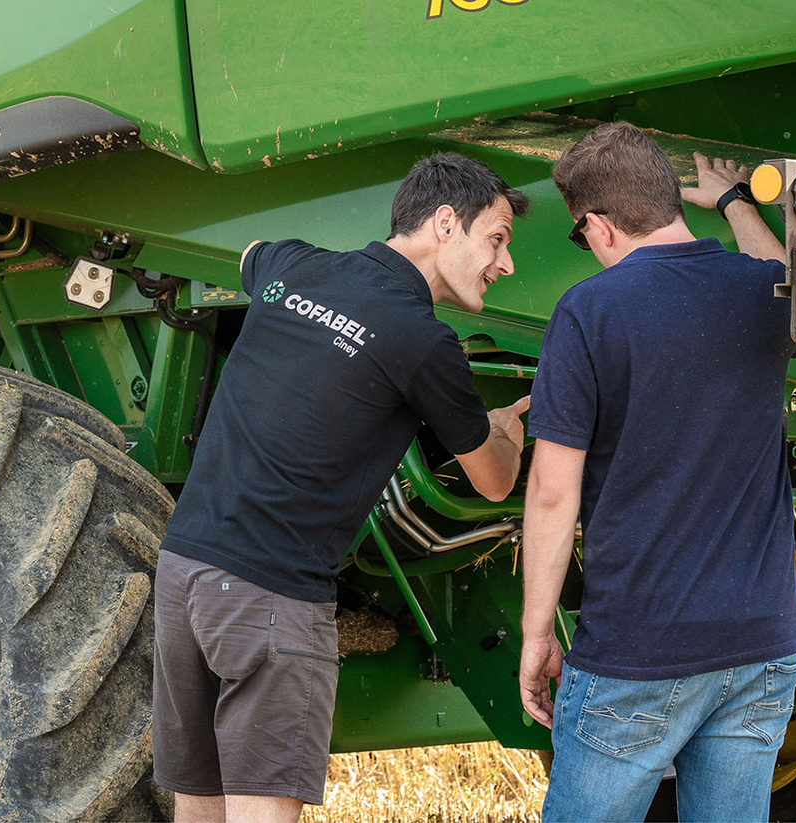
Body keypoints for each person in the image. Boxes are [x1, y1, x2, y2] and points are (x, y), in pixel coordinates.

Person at [153, 152, 533, 823]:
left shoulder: (292, 266)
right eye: (497, 240)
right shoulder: (424, 340)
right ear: (445, 223)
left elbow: (249, 252)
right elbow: (495, 480)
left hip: (184, 573)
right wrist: (506, 427)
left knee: (198, 810)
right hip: (271, 596)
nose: (504, 265)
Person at [515, 123, 796, 822]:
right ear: (668, 200)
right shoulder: (757, 290)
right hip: (763, 644)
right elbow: (792, 293)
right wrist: (738, 202)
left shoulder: (589, 311)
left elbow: (553, 493)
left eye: (579, 234)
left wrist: (536, 634)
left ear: (596, 225)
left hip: (641, 654)